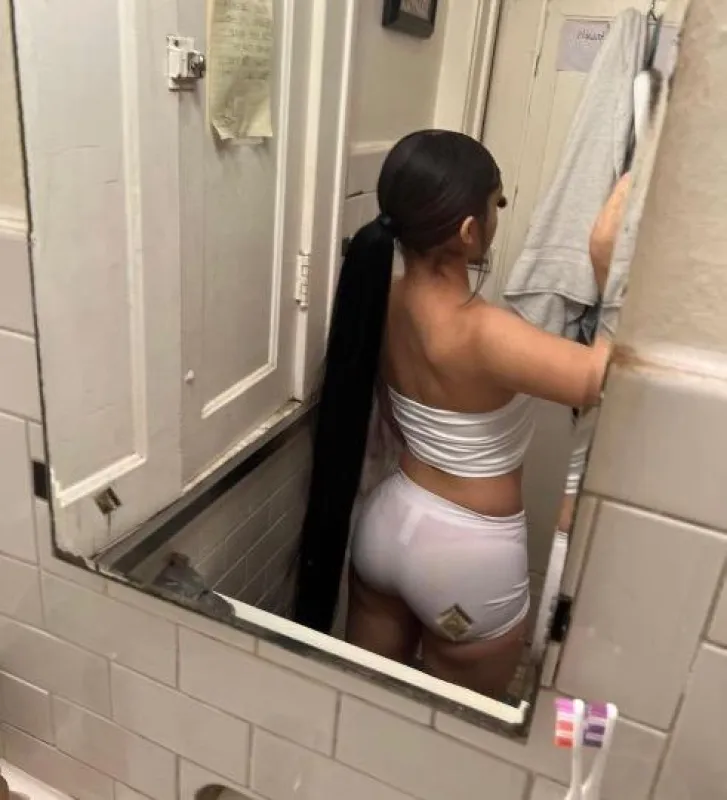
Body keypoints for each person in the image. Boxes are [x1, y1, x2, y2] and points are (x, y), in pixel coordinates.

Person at [293, 130, 624, 697]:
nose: (498, 215)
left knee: (365, 704)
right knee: (457, 732)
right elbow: (608, 379)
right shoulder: (487, 333)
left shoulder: (381, 296)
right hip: (467, 561)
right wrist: (608, 266)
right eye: (497, 204)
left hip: (386, 529)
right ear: (469, 231)